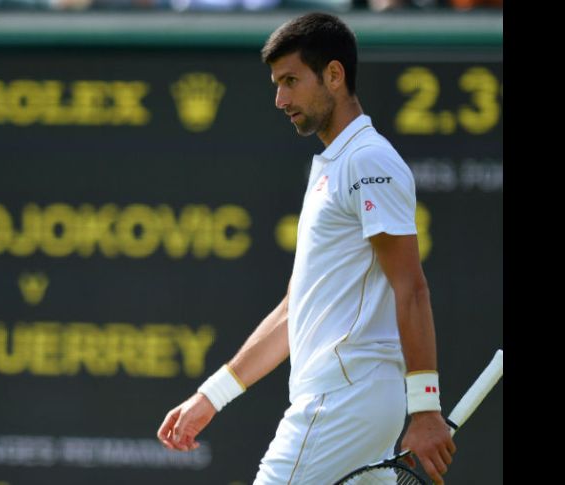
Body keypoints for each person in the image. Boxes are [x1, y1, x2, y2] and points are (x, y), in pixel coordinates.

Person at [156, 12, 456, 485]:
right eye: (277, 84)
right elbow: (296, 310)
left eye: (291, 81)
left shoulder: (366, 159)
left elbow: (411, 287)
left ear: (334, 75)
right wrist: (211, 397)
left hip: (342, 398)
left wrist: (426, 410)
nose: (280, 99)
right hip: (352, 399)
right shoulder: (334, 164)